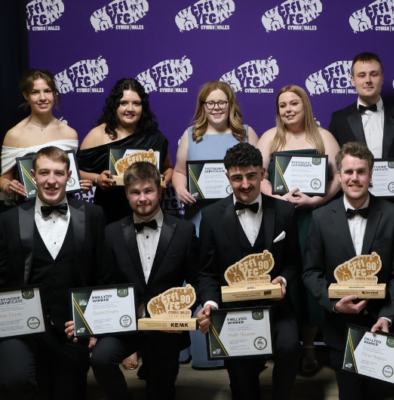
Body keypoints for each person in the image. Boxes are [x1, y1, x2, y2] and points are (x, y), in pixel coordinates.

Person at [302, 142, 394, 400]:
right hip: (343, 317)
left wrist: (387, 317)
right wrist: (335, 304)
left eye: (361, 171)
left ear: (371, 175)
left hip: (385, 307)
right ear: (340, 176)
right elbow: (311, 273)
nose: (354, 178)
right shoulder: (321, 217)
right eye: (348, 172)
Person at [63, 162, 200, 400]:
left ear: (160, 190)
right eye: (135, 192)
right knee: (102, 359)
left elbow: (197, 280)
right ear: (126, 194)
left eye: (148, 191)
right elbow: (104, 282)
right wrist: (89, 322)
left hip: (165, 328)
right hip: (124, 324)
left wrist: (183, 314)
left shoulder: (185, 231)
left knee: (161, 392)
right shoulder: (112, 232)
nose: (142, 198)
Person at [196, 142, 302, 399]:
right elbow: (207, 272)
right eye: (237, 178)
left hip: (276, 309)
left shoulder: (285, 211)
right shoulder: (211, 216)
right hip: (233, 312)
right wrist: (210, 303)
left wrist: (283, 280)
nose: (245, 184)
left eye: (251, 176)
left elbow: (293, 262)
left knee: (290, 348)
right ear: (227, 177)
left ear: (263, 173)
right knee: (243, 390)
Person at [0, 146, 106, 399]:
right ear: (33, 175)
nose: (51, 180)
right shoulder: (8, 220)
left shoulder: (93, 215)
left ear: (69, 176)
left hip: (72, 328)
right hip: (21, 330)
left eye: (58, 173)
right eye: (44, 173)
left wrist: (92, 322)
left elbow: (102, 274)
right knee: (14, 381)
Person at [172, 81, 258, 369]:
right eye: (211, 103)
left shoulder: (246, 133)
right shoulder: (190, 135)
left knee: (236, 274)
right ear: (203, 106)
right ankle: (202, 351)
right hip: (200, 217)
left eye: (222, 102)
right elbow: (179, 171)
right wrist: (180, 188)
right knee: (202, 276)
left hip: (239, 217)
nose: (217, 107)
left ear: (230, 104)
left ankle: (241, 344)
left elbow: (258, 173)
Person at [256, 84, 340, 373]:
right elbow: (259, 177)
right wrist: (279, 199)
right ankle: (283, 345)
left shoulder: (323, 137)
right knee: (283, 278)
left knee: (311, 278)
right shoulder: (270, 137)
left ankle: (309, 348)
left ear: (305, 106)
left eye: (294, 103)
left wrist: (316, 200)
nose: (288, 109)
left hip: (314, 219)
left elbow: (338, 177)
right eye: (283, 105)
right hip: (279, 219)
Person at [328, 52, 394, 220]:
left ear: (382, 78)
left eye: (374, 74)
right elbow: (334, 167)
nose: (368, 80)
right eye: (361, 75)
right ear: (352, 80)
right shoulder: (339, 119)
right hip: (352, 207)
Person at [78, 78, 173, 224]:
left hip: (146, 210)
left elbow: (168, 168)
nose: (130, 109)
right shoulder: (97, 135)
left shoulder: (155, 137)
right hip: (108, 211)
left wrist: (164, 180)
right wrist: (97, 179)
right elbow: (75, 171)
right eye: (123, 103)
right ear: (114, 105)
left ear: (143, 107)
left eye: (136, 103)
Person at [1, 69, 90, 204]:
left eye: (47, 91)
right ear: (26, 96)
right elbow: (4, 178)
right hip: (28, 207)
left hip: (65, 205)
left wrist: (79, 183)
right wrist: (8, 186)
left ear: (54, 94)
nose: (42, 97)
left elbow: (70, 173)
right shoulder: (14, 135)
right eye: (35, 92)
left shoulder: (69, 133)